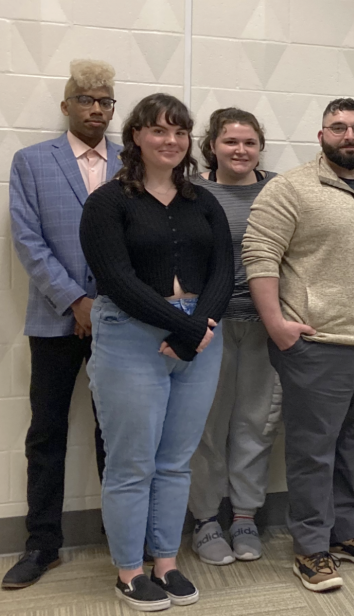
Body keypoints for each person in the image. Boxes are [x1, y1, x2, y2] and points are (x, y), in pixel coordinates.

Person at [243, 98, 354, 593]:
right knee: (313, 450)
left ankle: (346, 531)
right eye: (338, 127)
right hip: (317, 344)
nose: (350, 136)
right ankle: (311, 547)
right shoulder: (291, 188)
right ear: (321, 135)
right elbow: (259, 254)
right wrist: (275, 321)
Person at [80, 93, 234, 611]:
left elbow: (223, 273)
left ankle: (165, 561)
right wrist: (182, 327)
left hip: (201, 337)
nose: (171, 141)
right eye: (159, 131)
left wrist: (199, 325)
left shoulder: (203, 200)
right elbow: (116, 279)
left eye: (180, 132)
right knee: (132, 462)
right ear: (137, 138)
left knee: (175, 462)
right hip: (129, 335)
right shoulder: (107, 202)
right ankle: (128, 570)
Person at [4, 60, 120, 590]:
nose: (97, 109)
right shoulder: (31, 162)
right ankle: (42, 544)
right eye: (87, 100)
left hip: (121, 323)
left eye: (105, 101)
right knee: (46, 433)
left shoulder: (134, 161)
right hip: (54, 320)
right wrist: (76, 300)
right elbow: (28, 241)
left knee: (116, 434)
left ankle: (122, 540)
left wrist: (105, 305)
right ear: (66, 106)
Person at [188, 108, 280, 565]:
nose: (240, 150)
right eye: (230, 142)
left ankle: (244, 516)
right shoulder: (194, 191)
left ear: (260, 146)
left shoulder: (278, 188)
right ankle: (205, 520)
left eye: (249, 142)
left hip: (265, 324)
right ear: (213, 146)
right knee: (207, 426)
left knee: (255, 424)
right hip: (211, 325)